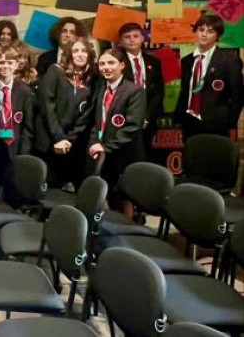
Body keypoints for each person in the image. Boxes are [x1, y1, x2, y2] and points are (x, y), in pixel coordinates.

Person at [67, 48, 146, 216]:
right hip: (103, 151)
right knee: (105, 195)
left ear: (122, 65)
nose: (106, 67)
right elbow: (97, 120)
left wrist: (107, 146)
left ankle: (127, 234)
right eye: (102, 64)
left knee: (123, 197)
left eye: (111, 63)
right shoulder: (102, 88)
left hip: (124, 153)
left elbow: (132, 126)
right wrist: (95, 142)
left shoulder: (134, 91)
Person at [35, 37, 96, 190]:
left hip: (74, 144)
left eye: (84, 51)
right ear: (69, 54)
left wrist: (70, 139)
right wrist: (59, 138)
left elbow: (88, 114)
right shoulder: (55, 71)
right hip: (50, 141)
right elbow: (47, 106)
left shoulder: (93, 79)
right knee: (48, 189)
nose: (80, 54)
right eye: (75, 51)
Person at [176, 13, 243, 141]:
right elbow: (185, 91)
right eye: (201, 29)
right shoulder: (187, 60)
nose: (204, 34)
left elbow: (237, 95)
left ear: (218, 35)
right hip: (189, 122)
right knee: (193, 158)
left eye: (210, 31)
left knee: (215, 159)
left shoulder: (229, 60)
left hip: (217, 124)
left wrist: (231, 123)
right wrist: (179, 117)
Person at [0, 46, 35, 203]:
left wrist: (24, 153)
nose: (5, 66)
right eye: (1, 62)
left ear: (16, 65)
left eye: (9, 62)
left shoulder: (25, 92)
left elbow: (28, 127)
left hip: (15, 146)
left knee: (13, 189)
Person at [119, 23, 164, 154]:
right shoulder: (116, 61)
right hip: (124, 119)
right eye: (127, 37)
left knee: (146, 153)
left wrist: (147, 116)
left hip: (148, 118)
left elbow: (159, 92)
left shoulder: (154, 62)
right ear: (121, 40)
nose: (132, 39)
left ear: (142, 38)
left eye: (135, 36)